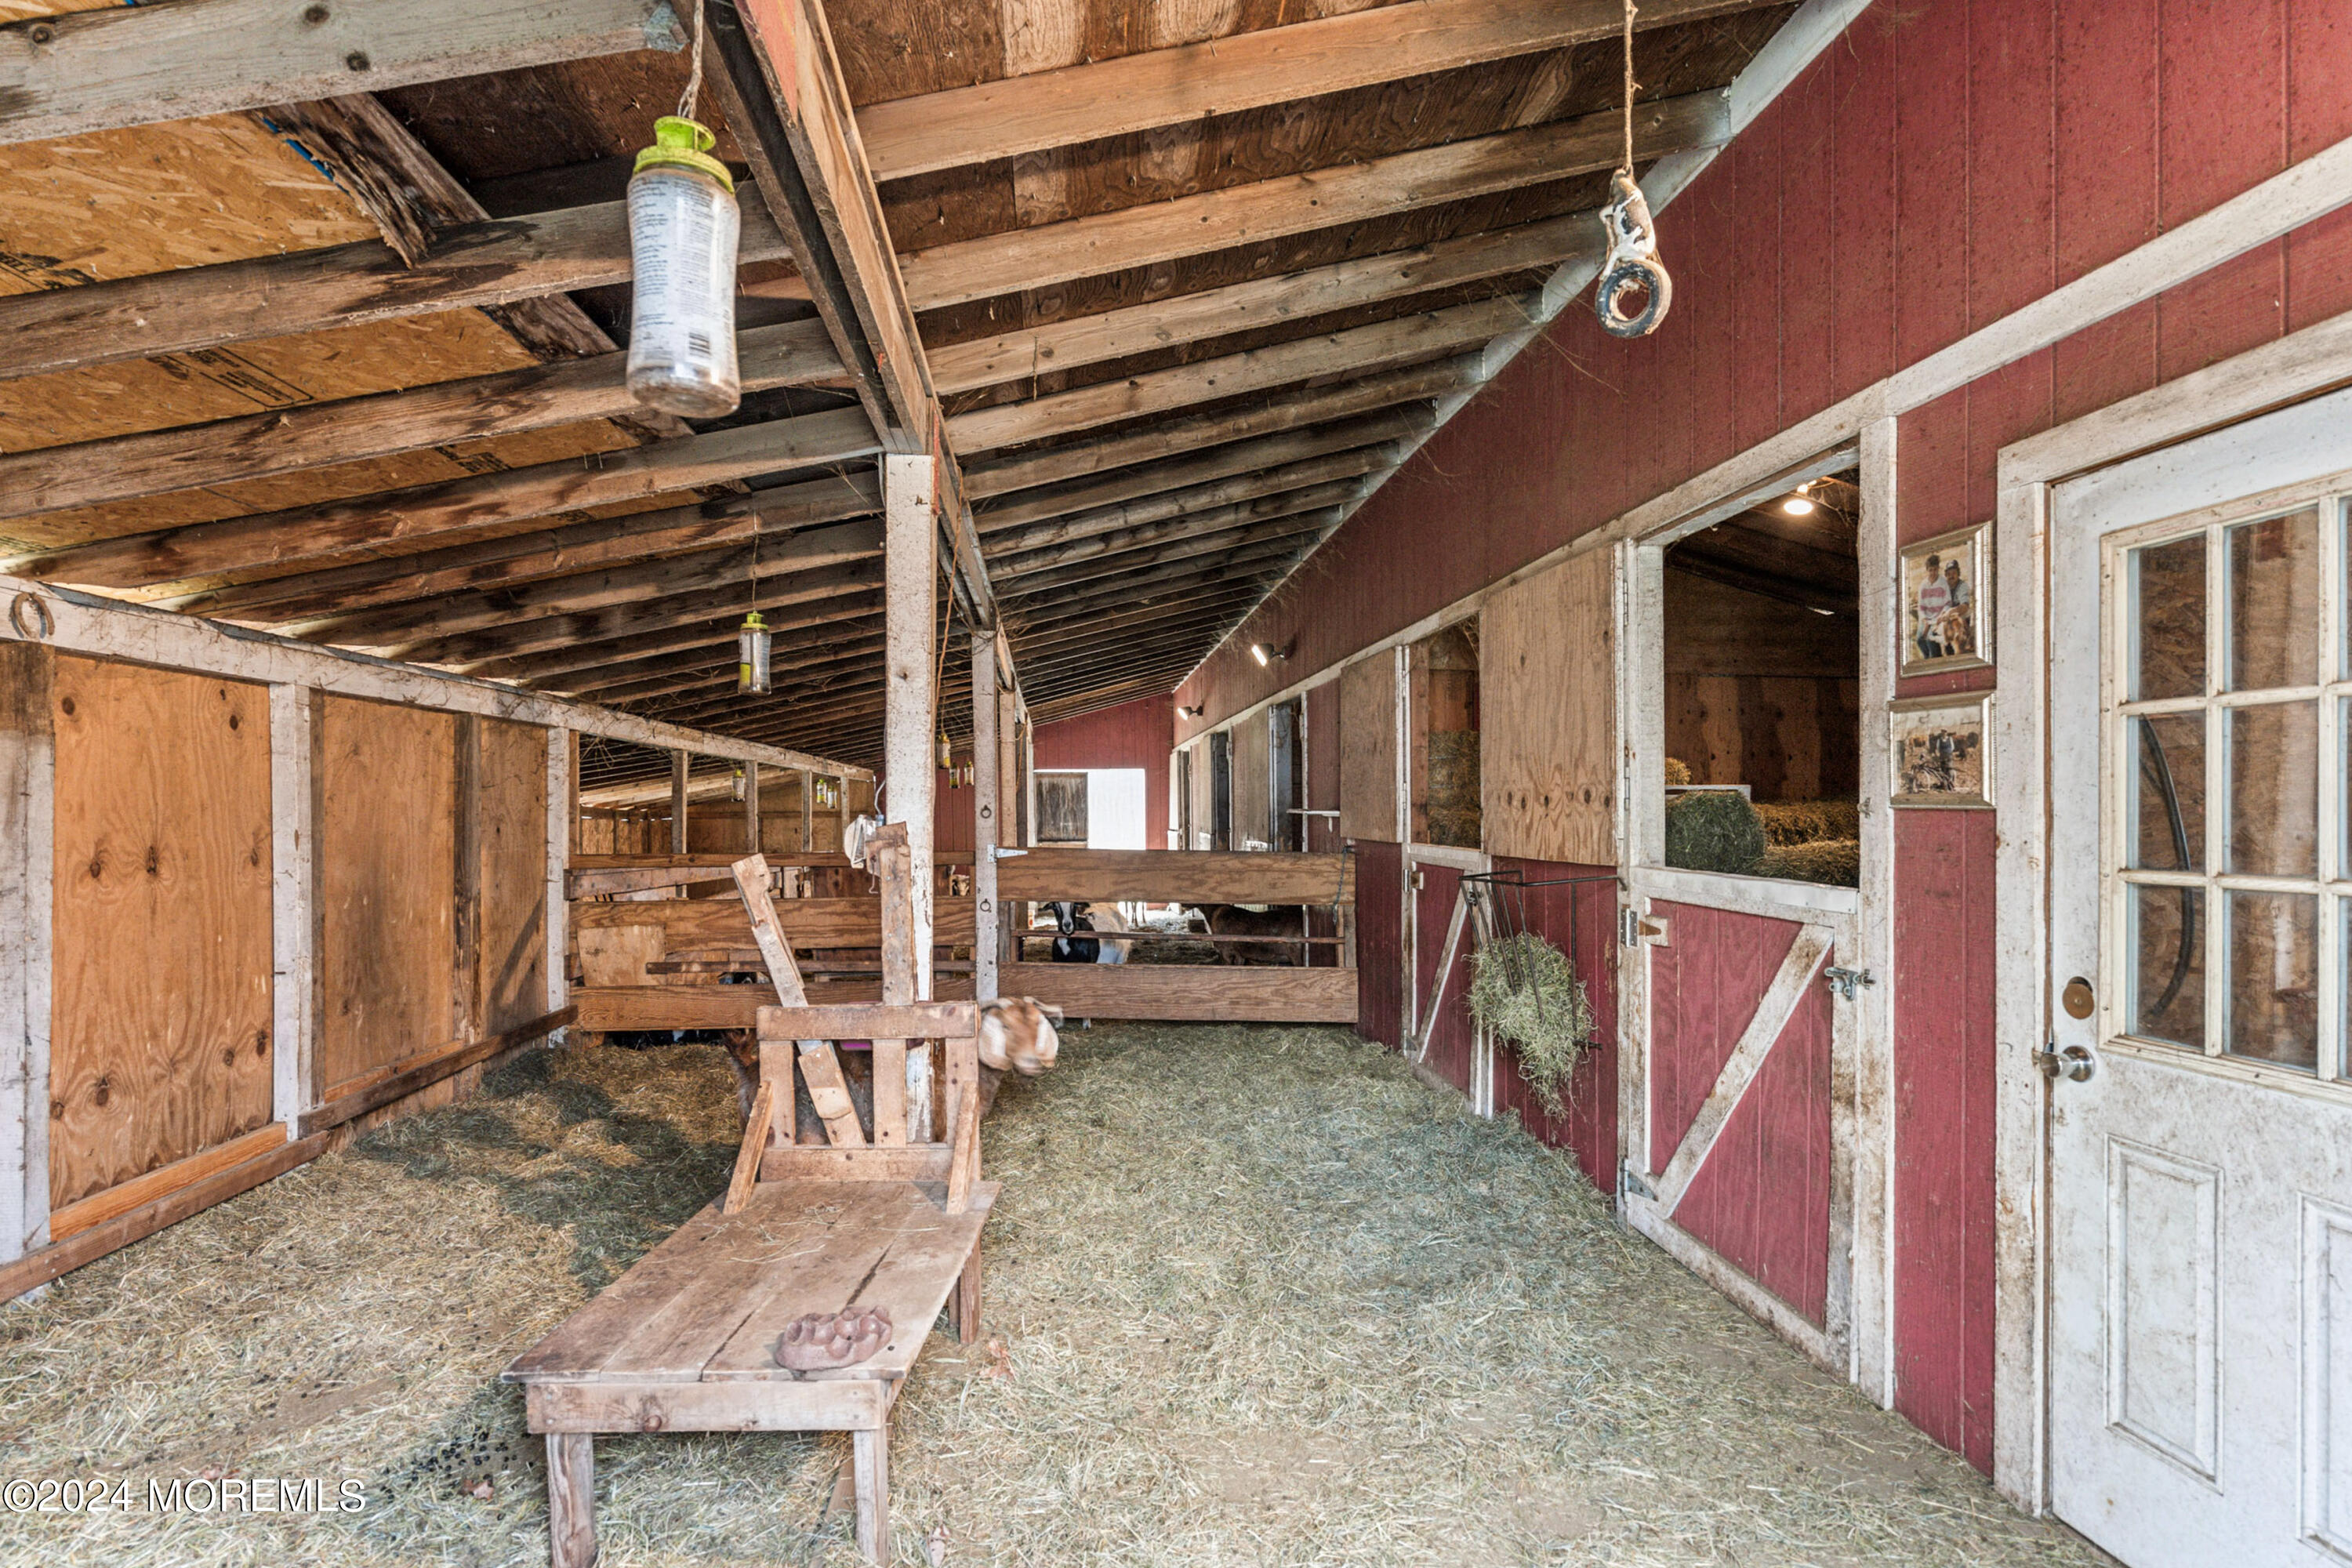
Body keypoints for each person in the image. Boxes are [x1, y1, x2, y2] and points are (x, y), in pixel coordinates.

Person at [1914, 554, 1949, 658]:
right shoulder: (1923, 585)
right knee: (1920, 640)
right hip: (1926, 618)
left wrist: (1941, 616)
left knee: (1930, 639)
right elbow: (1921, 606)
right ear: (1927, 570)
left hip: (1938, 618)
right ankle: (1927, 659)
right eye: (1930, 570)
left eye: (1935, 570)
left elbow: (1947, 603)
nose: (1933, 573)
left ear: (1938, 569)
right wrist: (1924, 620)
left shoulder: (1943, 583)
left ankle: (1935, 658)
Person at [1937, 557, 1973, 655]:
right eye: (1948, 574)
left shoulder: (1963, 586)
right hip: (1948, 618)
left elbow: (1965, 607)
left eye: (1954, 573)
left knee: (1960, 634)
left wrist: (1950, 612)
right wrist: (1942, 614)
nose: (1951, 576)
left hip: (1963, 616)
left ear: (1958, 573)